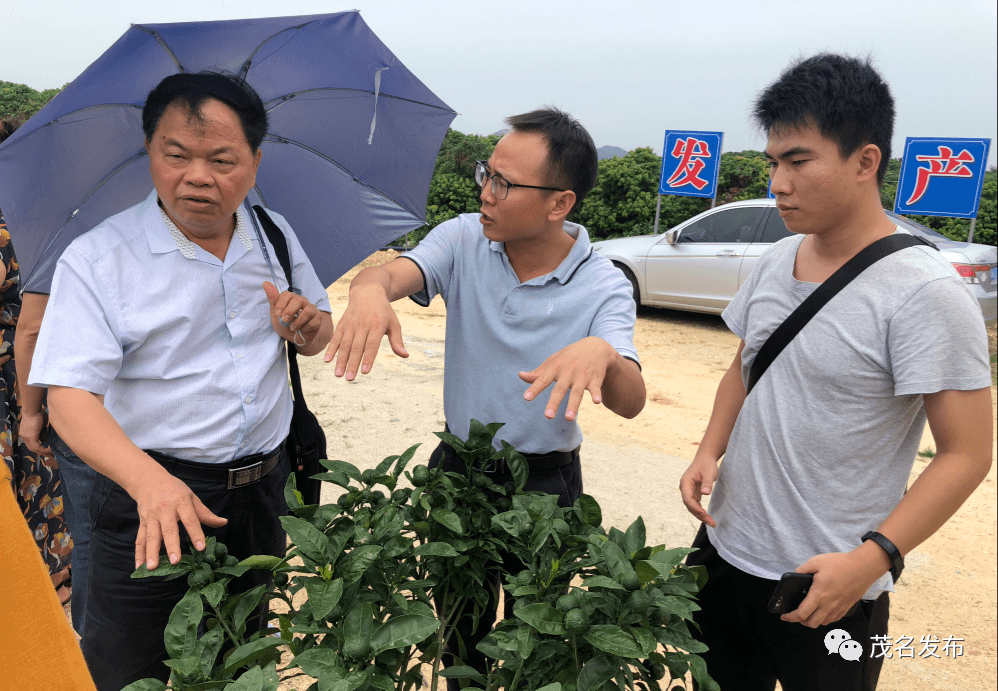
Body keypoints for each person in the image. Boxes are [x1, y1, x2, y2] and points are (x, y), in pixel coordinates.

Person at [678, 53, 993, 691]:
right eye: (772, 162)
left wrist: (871, 559)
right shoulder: (776, 260)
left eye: (798, 161)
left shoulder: (924, 292)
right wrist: (709, 449)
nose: (778, 183)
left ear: (865, 161)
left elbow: (967, 453)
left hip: (832, 586)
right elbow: (745, 366)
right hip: (724, 556)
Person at [29, 72, 334, 691]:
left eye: (222, 159)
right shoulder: (99, 257)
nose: (198, 177)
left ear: (253, 162)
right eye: (176, 156)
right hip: (146, 495)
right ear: (150, 152)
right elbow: (67, 396)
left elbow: (320, 331)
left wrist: (304, 324)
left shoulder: (272, 233)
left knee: (240, 657)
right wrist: (151, 484)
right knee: (127, 666)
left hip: (259, 492)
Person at [326, 107, 646, 684]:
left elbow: (630, 399)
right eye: (486, 174)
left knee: (536, 643)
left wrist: (602, 353)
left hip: (546, 485)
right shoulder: (463, 238)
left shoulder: (603, 285)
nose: (487, 193)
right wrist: (368, 291)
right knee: (459, 640)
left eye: (505, 183)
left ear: (559, 203)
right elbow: (389, 275)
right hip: (460, 475)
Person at [1, 116, 74, 606]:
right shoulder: (49, 217)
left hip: (16, 370)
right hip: (35, 373)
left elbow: (28, 326)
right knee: (41, 483)